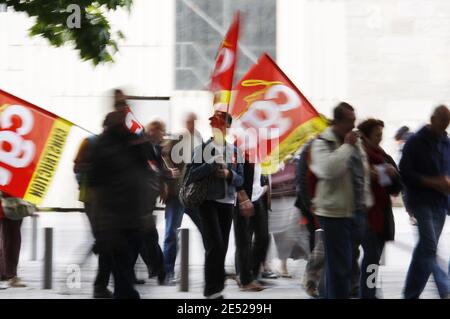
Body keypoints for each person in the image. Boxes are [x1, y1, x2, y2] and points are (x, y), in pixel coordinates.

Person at [88, 89, 150, 299]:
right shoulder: (100, 146)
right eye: (119, 105)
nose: (123, 109)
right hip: (112, 219)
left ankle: (113, 289)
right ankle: (109, 289)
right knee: (120, 268)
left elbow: (145, 170)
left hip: (132, 217)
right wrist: (100, 224)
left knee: (123, 262)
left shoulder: (134, 141)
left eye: (124, 105)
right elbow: (95, 185)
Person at [310, 102, 373, 299]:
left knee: (346, 264)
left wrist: (367, 201)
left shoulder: (356, 142)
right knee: (340, 267)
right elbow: (329, 170)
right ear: (336, 121)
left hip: (357, 211)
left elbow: (362, 173)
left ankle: (329, 293)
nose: (352, 125)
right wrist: (346, 146)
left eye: (354, 121)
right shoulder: (322, 143)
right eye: (348, 121)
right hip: (334, 213)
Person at [187, 111, 244, 299]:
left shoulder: (235, 152)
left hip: (227, 203)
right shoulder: (201, 149)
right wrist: (211, 164)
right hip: (207, 202)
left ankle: (217, 288)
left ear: (228, 128)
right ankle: (211, 290)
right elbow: (191, 176)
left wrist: (229, 175)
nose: (219, 128)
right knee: (215, 245)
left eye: (223, 125)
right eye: (215, 125)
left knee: (223, 246)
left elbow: (240, 179)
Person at [400, 105, 450, 299]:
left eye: (447, 122)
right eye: (442, 121)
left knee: (426, 249)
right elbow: (405, 172)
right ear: (432, 119)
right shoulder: (415, 141)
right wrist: (431, 182)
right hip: (421, 201)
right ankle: (413, 292)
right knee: (428, 246)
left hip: (440, 202)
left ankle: (411, 293)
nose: (444, 126)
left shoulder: (446, 143)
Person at [357, 119, 402, 298]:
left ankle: (370, 290)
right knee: (371, 256)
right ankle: (367, 292)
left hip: (381, 213)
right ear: (366, 136)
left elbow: (396, 187)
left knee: (374, 259)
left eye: (381, 135)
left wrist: (391, 174)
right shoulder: (359, 155)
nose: (380, 139)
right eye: (376, 135)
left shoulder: (382, 155)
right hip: (365, 213)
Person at [162, 113, 203, 285]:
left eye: (192, 120)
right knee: (172, 231)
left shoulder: (198, 136)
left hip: (192, 193)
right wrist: (170, 172)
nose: (190, 123)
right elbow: (164, 154)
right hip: (177, 193)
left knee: (206, 228)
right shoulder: (179, 136)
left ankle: (215, 267)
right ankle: (168, 271)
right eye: (188, 120)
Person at [74, 134, 113, 298]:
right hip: (94, 198)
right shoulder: (91, 142)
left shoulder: (99, 143)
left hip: (95, 198)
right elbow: (77, 168)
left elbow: (76, 168)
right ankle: (99, 285)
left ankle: (100, 284)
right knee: (104, 240)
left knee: (103, 240)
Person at [0, 194, 27, 288]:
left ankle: (5, 273)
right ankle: (10, 275)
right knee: (11, 239)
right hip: (10, 203)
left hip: (13, 201)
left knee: (9, 238)